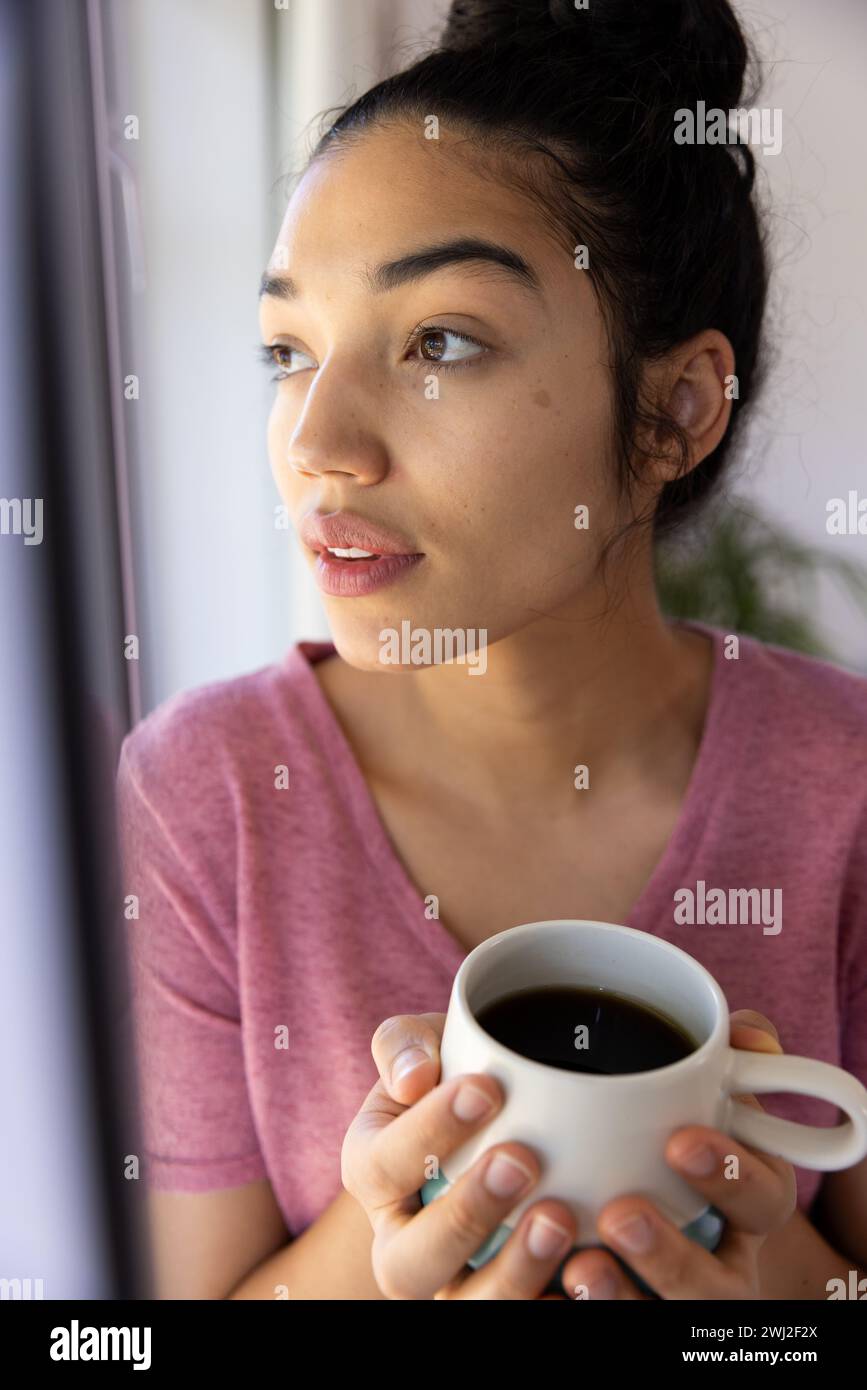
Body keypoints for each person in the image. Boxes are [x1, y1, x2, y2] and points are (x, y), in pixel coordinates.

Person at [116, 0, 867, 1299]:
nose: (317, 443)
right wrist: (390, 1236)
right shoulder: (201, 800)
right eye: (287, 348)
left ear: (675, 409)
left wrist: (770, 1291)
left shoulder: (845, 784)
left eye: (439, 342)